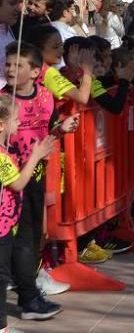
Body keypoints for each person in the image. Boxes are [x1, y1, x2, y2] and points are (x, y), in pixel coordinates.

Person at [3, 43, 80, 306]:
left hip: (37, 175)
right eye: (8, 64)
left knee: (35, 235)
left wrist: (62, 128)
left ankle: (28, 288)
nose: (10, 69)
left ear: (36, 72)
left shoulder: (46, 96)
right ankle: (28, 296)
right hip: (12, 180)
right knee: (22, 238)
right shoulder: (4, 100)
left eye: (18, 65)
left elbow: (49, 129)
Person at [0, 95, 60, 327]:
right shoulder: (1, 157)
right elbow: (18, 183)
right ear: (2, 124)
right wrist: (35, 156)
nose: (18, 123)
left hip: (6, 227)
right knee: (1, 277)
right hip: (1, 230)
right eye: (15, 118)